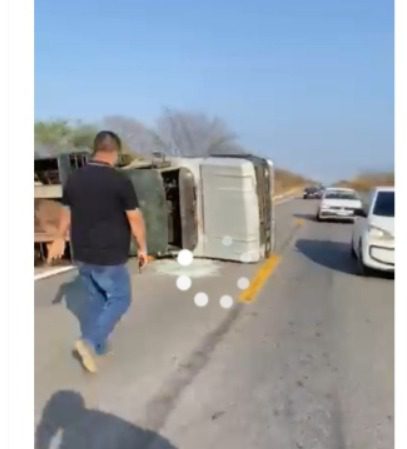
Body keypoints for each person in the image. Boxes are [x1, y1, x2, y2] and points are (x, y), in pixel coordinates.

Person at [47, 131, 147, 373]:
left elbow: (66, 211)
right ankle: (89, 342)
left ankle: (98, 346)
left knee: (96, 298)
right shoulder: (119, 181)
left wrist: (59, 237)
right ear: (115, 152)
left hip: (82, 252)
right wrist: (143, 248)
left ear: (94, 149)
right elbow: (134, 219)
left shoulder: (75, 178)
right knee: (120, 298)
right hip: (109, 255)